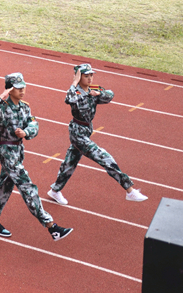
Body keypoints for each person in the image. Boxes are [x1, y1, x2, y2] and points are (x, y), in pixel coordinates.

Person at [0, 73, 72, 241]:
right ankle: (51, 227)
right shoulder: (1, 107)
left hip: (18, 150)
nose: (22, 90)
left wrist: (26, 132)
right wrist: (1, 97)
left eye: (23, 87)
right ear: (10, 89)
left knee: (5, 186)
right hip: (7, 151)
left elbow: (34, 124)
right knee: (27, 187)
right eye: (18, 88)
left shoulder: (24, 107)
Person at [47, 64, 147, 206]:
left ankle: (55, 190)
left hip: (87, 130)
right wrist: (74, 82)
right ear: (78, 77)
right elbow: (68, 99)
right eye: (86, 76)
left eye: (91, 75)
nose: (90, 79)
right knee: (105, 158)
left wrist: (99, 94)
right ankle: (129, 190)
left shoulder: (93, 90)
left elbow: (110, 95)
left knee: (70, 162)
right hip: (77, 133)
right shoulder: (76, 93)